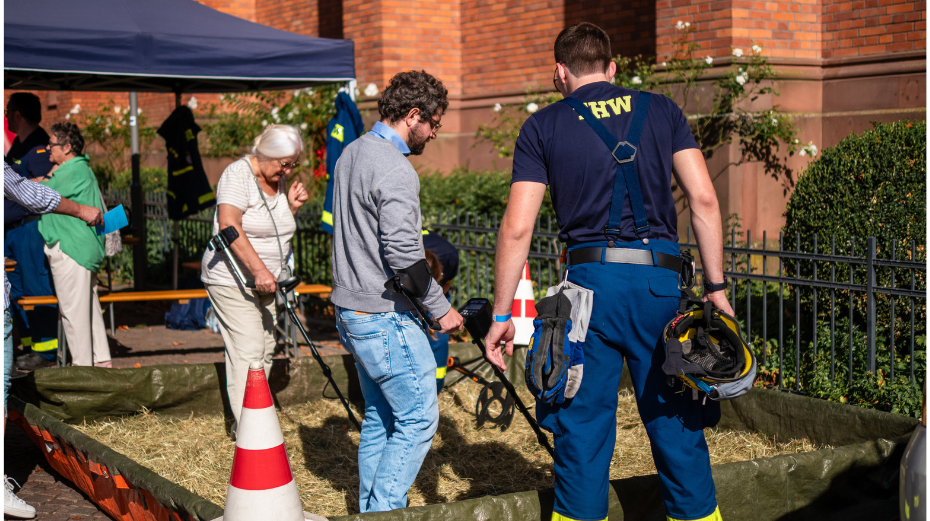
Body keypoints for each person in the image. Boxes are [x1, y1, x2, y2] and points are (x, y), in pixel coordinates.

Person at [484, 23, 735, 521]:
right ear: (613, 68)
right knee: (676, 421)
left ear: (560, 72)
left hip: (586, 293)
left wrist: (501, 312)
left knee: (581, 426)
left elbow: (517, 229)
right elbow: (704, 199)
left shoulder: (543, 126)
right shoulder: (661, 110)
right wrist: (717, 288)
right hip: (658, 285)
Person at [331, 70, 464, 513]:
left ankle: (371, 510)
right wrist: (441, 310)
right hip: (381, 315)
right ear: (413, 115)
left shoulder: (351, 153)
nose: (433, 133)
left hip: (350, 310)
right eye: (433, 124)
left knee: (381, 417)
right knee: (420, 418)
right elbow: (405, 256)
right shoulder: (395, 168)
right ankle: (387, 509)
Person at [4, 160, 104, 519]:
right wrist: (81, 211)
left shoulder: (73, 169)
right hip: (75, 249)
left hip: (76, 253)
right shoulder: (70, 171)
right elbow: (29, 193)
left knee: (81, 320)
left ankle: (91, 379)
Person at [201, 125, 308, 433]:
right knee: (248, 349)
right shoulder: (238, 174)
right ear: (265, 153)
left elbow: (267, 225)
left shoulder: (278, 178)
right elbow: (228, 224)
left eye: (293, 164)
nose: (288, 170)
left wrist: (292, 207)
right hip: (231, 279)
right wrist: (260, 269)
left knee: (267, 346)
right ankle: (250, 430)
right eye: (284, 163)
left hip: (267, 283)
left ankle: (250, 412)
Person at [38, 122, 113, 368]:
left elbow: (37, 195)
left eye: (52, 144)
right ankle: (102, 364)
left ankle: (83, 371)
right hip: (82, 248)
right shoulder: (80, 169)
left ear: (67, 147)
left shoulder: (71, 171)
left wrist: (47, 175)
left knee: (73, 313)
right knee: (88, 309)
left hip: (71, 249)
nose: (47, 148)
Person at [4, 93, 59, 371]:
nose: (5, 115)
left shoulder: (38, 147)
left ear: (17, 115)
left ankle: (46, 351)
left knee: (37, 289)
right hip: (12, 230)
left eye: (7, 110)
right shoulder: (19, 146)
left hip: (30, 229)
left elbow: (47, 184)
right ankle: (25, 345)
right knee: (15, 291)